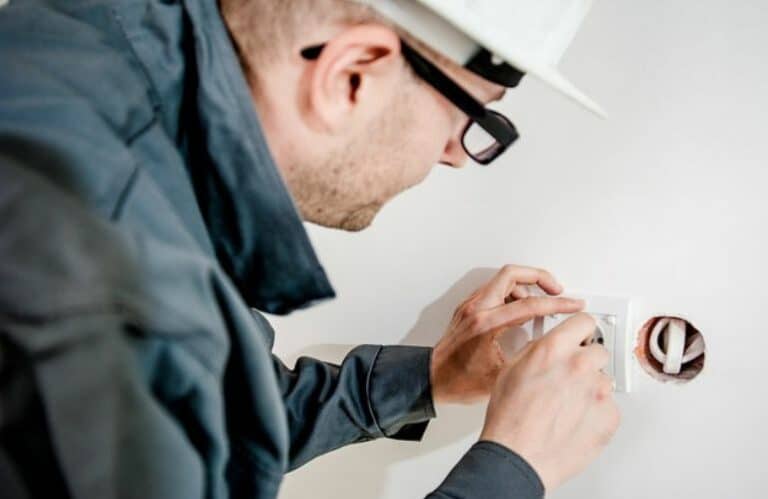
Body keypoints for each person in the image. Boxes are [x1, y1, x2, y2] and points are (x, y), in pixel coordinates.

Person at [0, 0, 620, 497]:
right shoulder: (115, 300)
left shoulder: (84, 43)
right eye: (475, 118)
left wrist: (430, 377)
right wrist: (512, 468)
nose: (455, 155)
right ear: (351, 75)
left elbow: (206, 418)